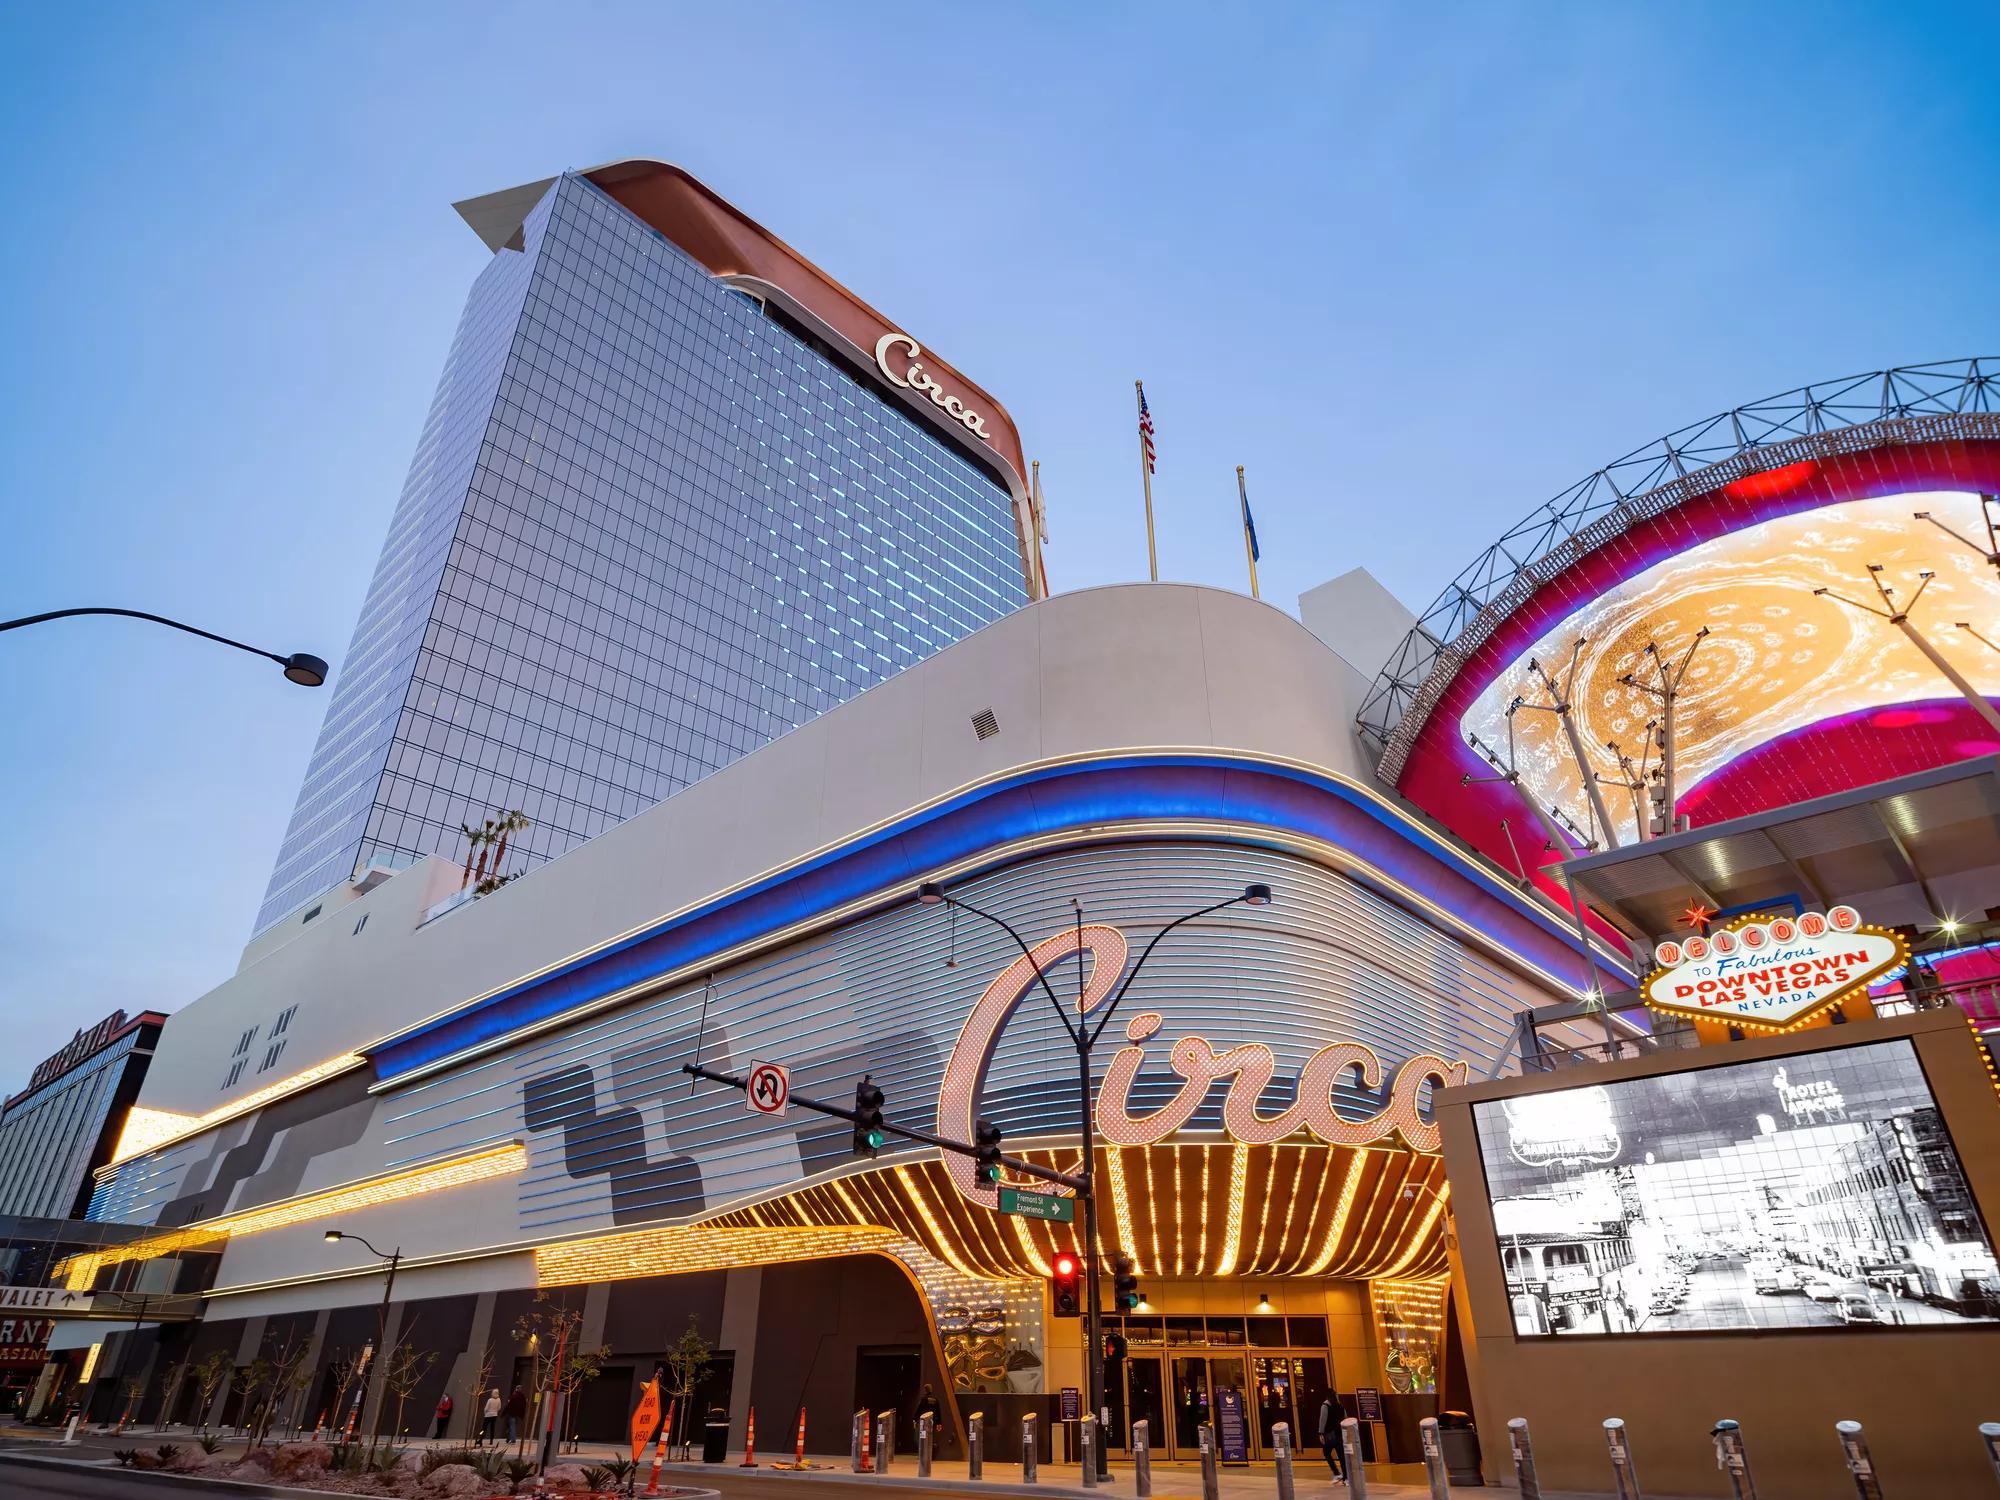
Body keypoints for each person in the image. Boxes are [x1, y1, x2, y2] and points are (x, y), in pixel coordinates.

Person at [1318, 1391, 1347, 1483]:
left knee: (1326, 1453)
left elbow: (1322, 1420)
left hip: (1329, 1435)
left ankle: (1336, 1473)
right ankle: (1346, 1478)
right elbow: (1345, 1418)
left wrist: (1321, 1433)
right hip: (1340, 1434)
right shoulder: (1340, 1406)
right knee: (1342, 1456)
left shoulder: (1325, 1406)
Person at [912, 1383, 941, 1447]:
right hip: (933, 1420)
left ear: (925, 1390)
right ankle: (930, 1451)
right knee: (931, 1436)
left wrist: (915, 1419)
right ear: (931, 1390)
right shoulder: (935, 1399)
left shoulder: (923, 1399)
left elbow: (919, 1410)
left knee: (923, 1436)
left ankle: (924, 1450)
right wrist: (939, 1423)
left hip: (925, 1421)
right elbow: (938, 1411)